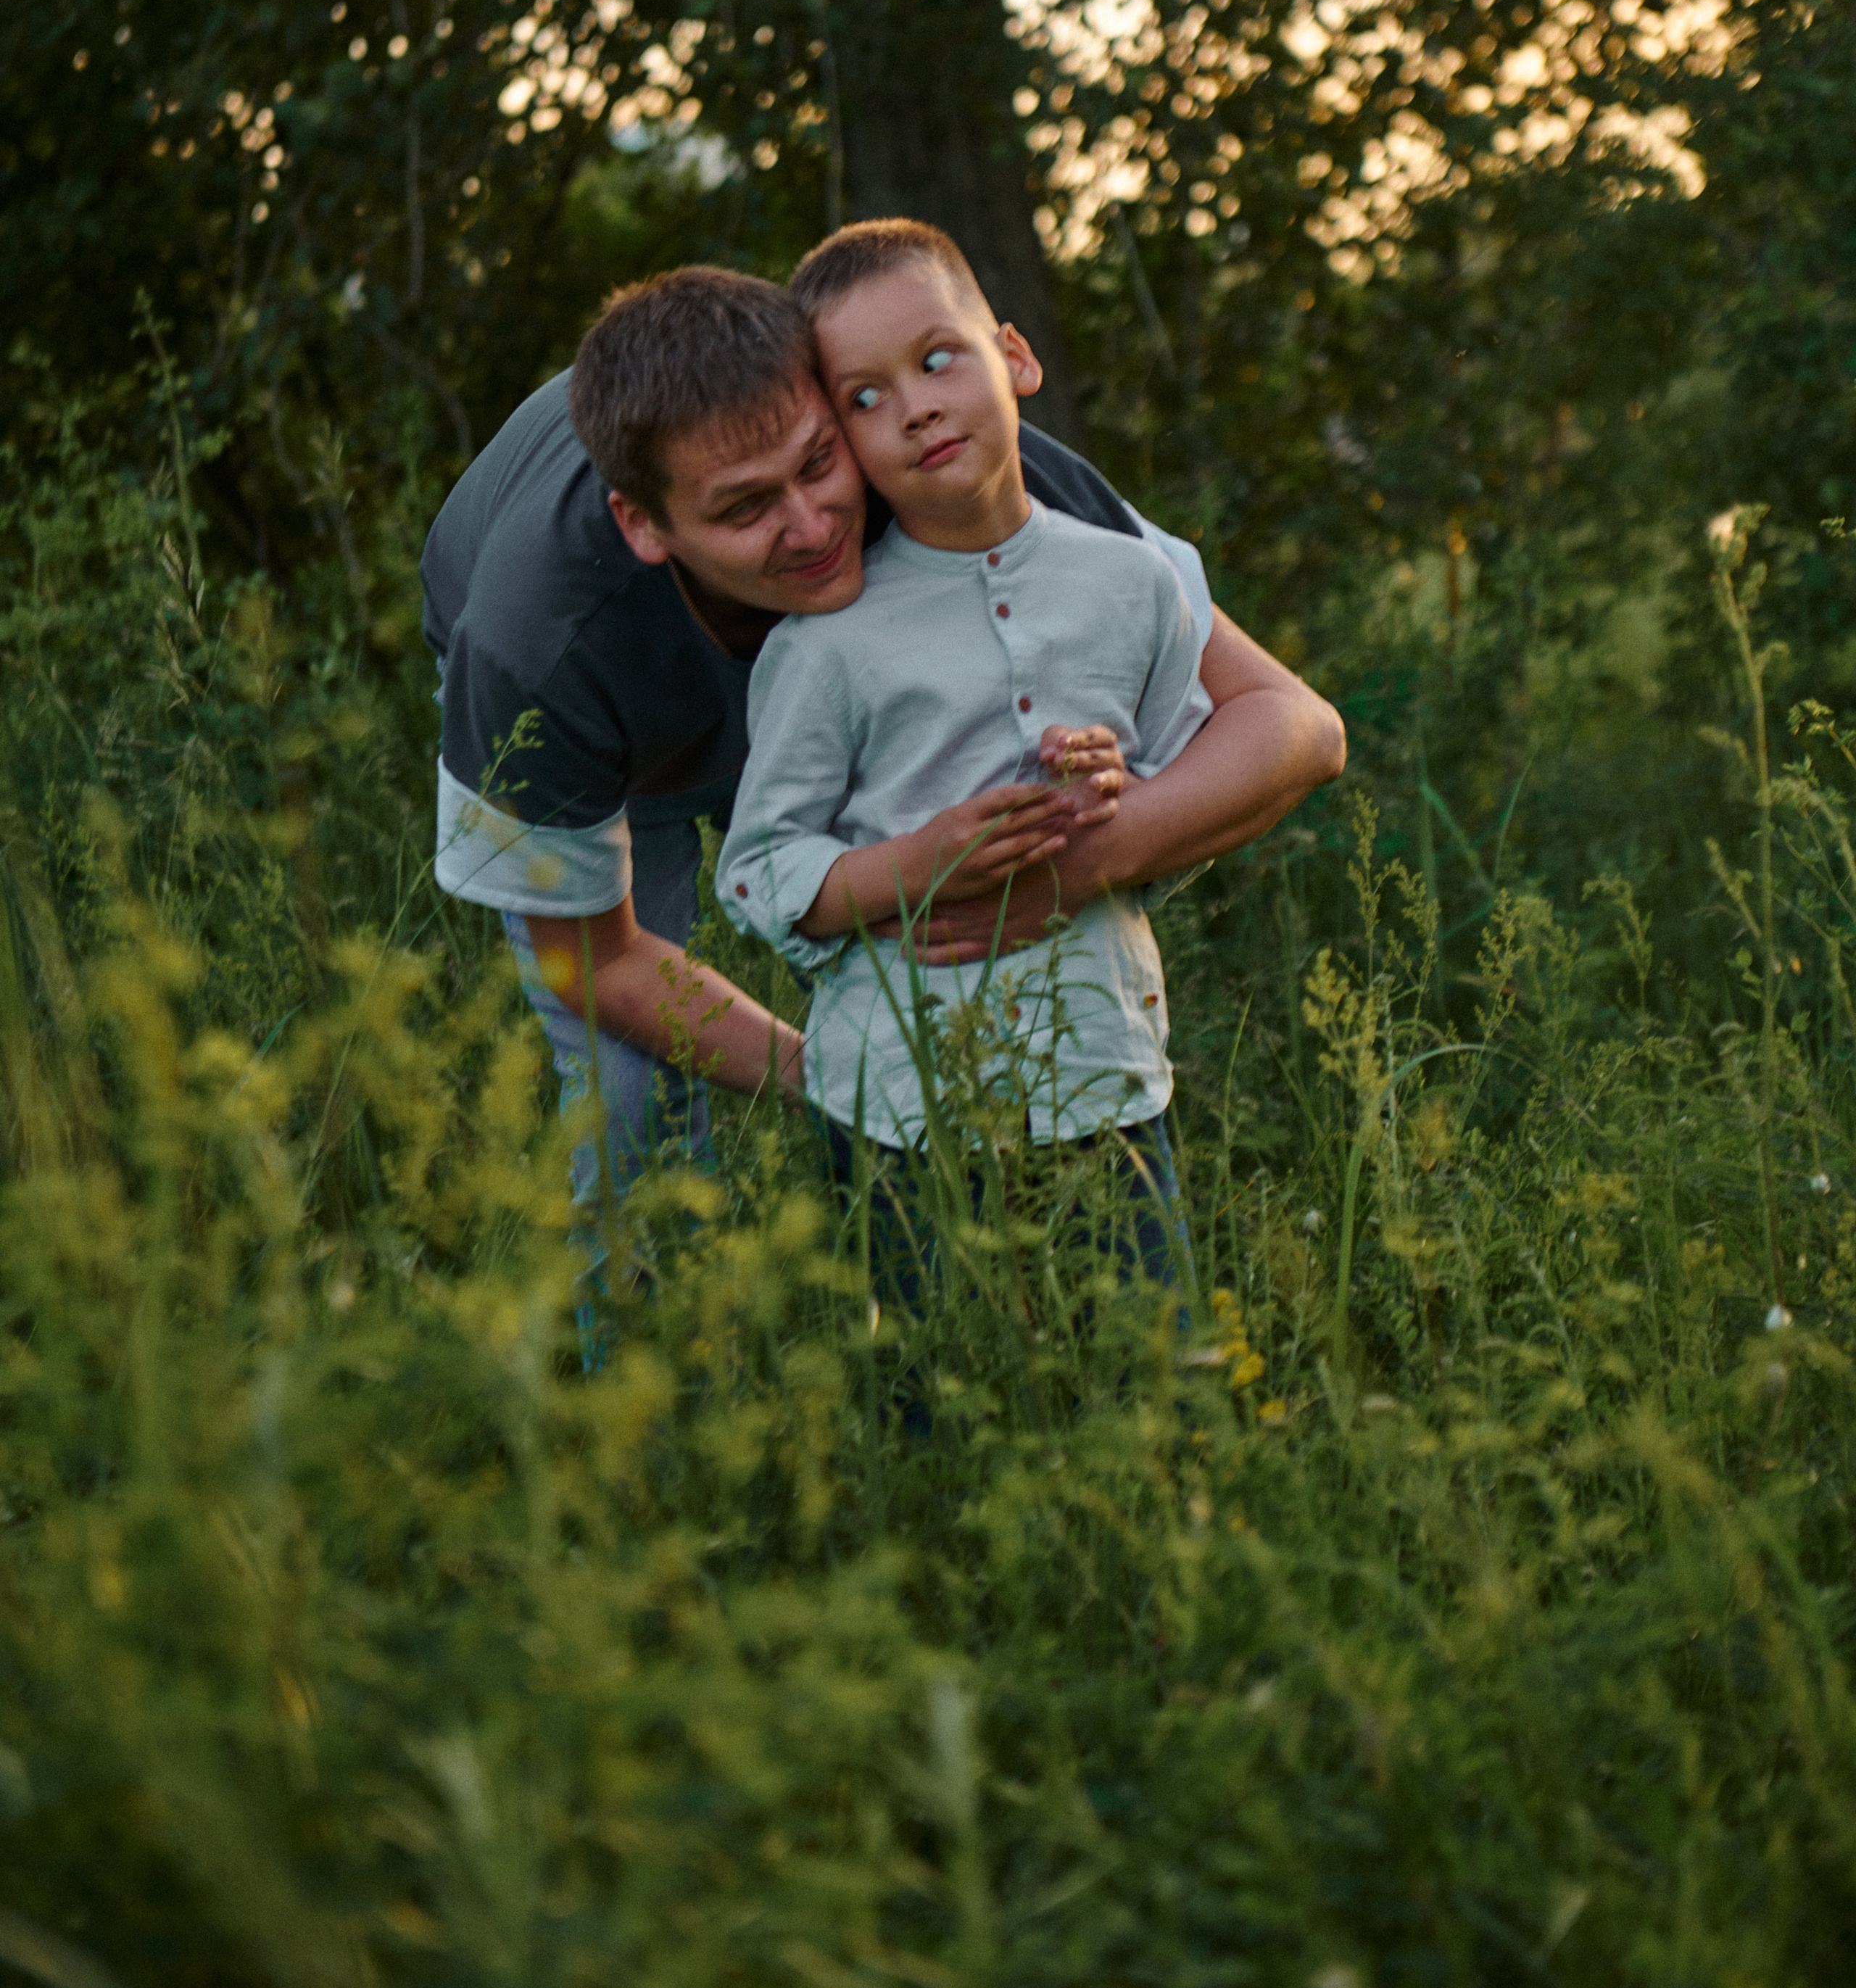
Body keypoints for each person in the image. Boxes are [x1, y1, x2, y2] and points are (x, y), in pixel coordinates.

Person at [420, 261, 1344, 1222]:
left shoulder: (947, 454)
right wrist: (841, 1076)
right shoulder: (534, 648)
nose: (814, 526)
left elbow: (1297, 726)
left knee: (973, 955)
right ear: (645, 524)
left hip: (857, 702)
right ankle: (656, 1358)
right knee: (631, 1101)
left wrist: (1075, 870)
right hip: (628, 743)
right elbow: (596, 961)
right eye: (746, 508)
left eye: (821, 462)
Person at [716, 219, 1222, 1281]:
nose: (916, 407)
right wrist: (915, 865)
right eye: (865, 398)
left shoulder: (1135, 585)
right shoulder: (825, 647)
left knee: (1154, 1406)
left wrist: (1116, 801)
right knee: (936, 1414)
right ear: (840, 445)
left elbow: (1194, 798)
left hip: (1106, 1081)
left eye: (938, 359)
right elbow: (760, 875)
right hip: (901, 1113)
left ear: (1016, 357)